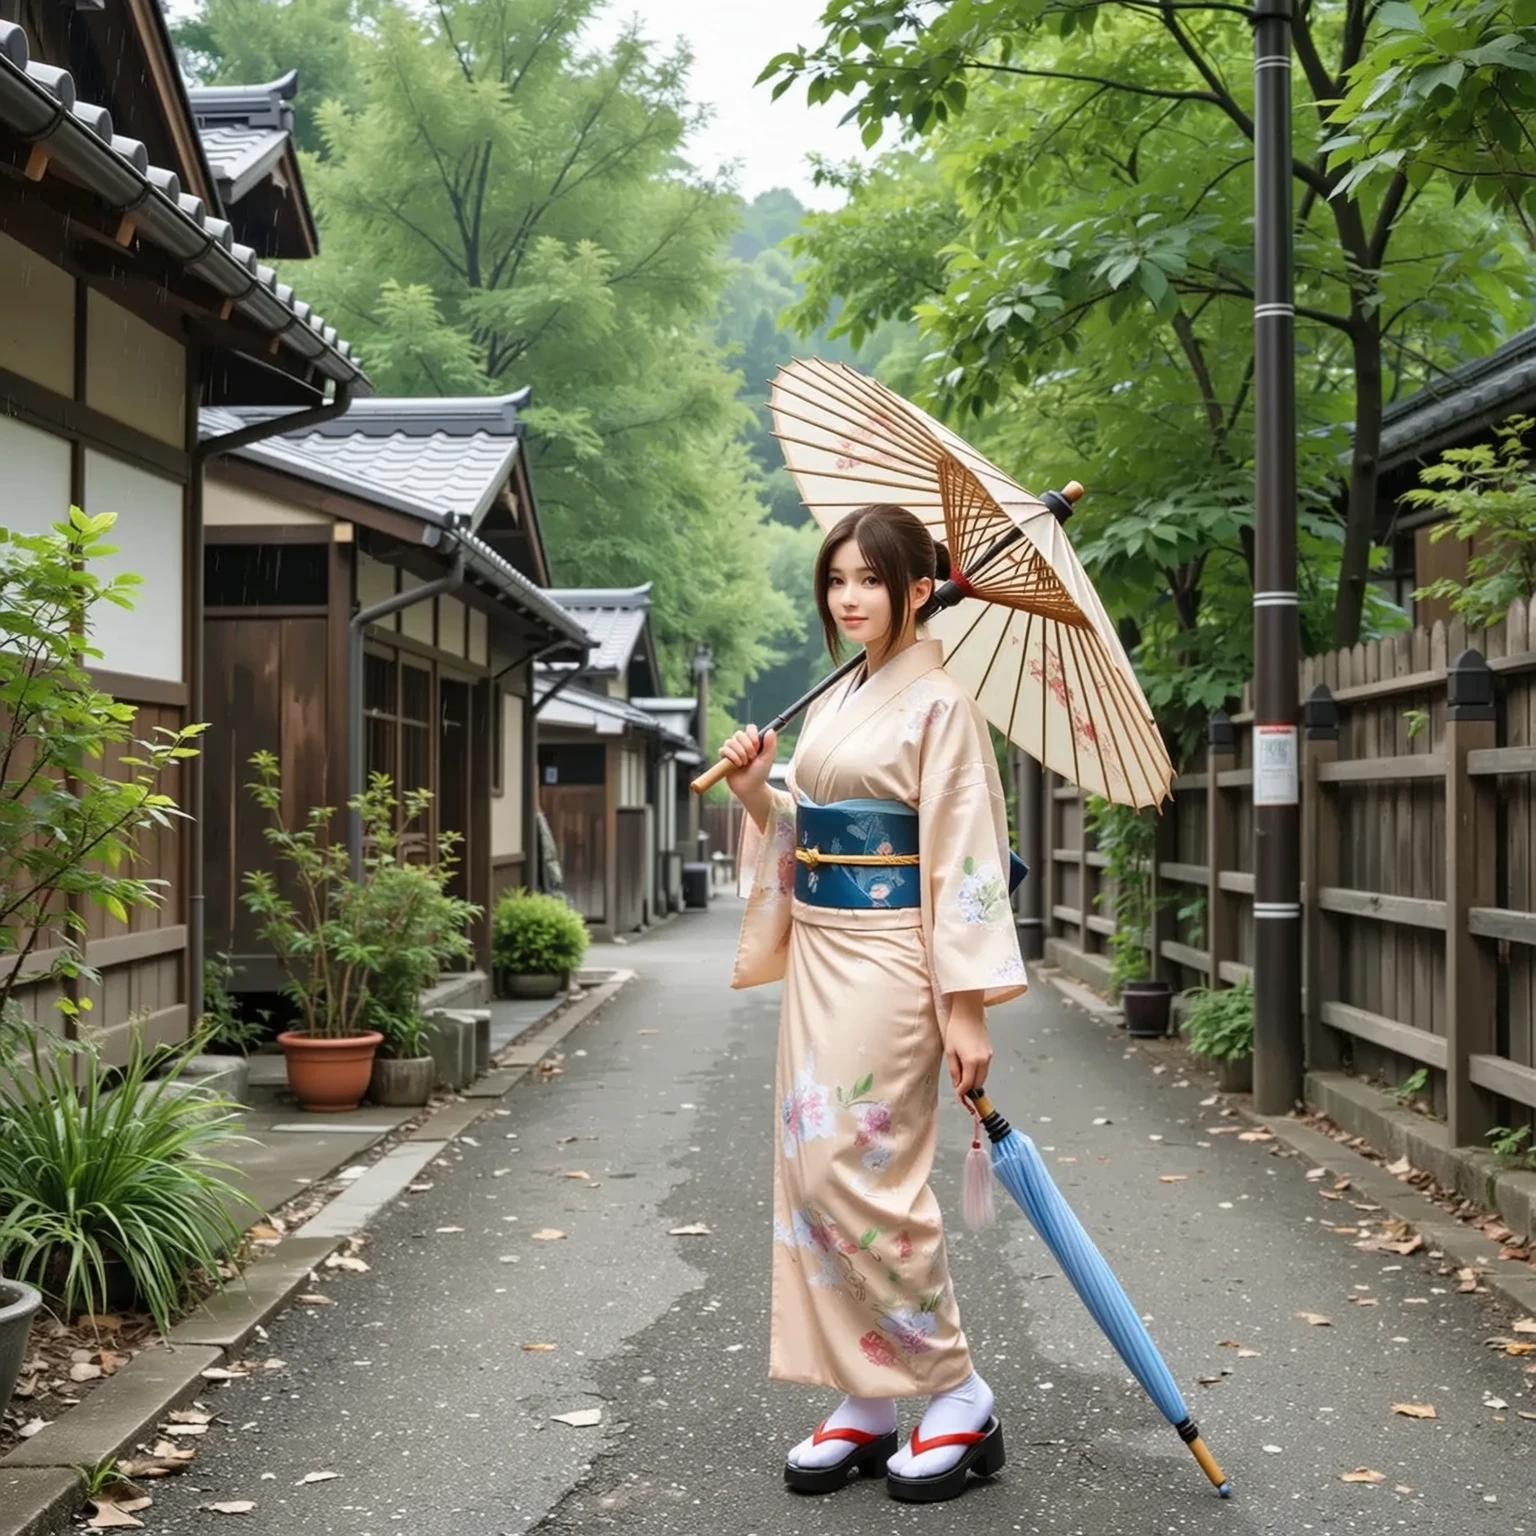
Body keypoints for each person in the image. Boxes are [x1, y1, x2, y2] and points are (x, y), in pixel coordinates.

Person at [717, 503, 1027, 1504]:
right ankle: (869, 1390)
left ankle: (956, 1391)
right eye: (836, 579)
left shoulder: (941, 703)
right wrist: (763, 793)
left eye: (869, 580)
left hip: (895, 960)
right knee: (812, 1171)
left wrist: (965, 1004)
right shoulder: (839, 697)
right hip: (821, 953)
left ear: (918, 589)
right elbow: (809, 826)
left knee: (864, 1172)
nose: (848, 597)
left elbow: (964, 853)